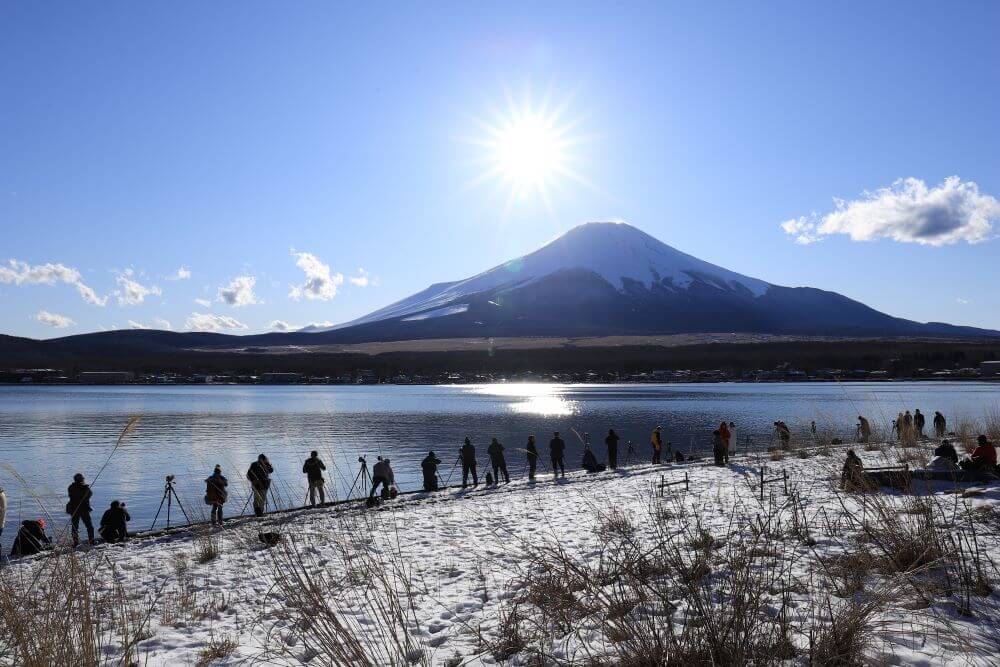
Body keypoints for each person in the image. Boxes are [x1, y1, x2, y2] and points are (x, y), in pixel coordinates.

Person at [67, 473, 95, 546]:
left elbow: (71, 495)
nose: (83, 480)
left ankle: (75, 543)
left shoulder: (71, 487)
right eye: (82, 479)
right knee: (89, 526)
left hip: (74, 509)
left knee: (74, 527)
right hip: (83, 509)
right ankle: (91, 542)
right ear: (81, 480)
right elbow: (90, 494)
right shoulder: (85, 488)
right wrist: (86, 487)